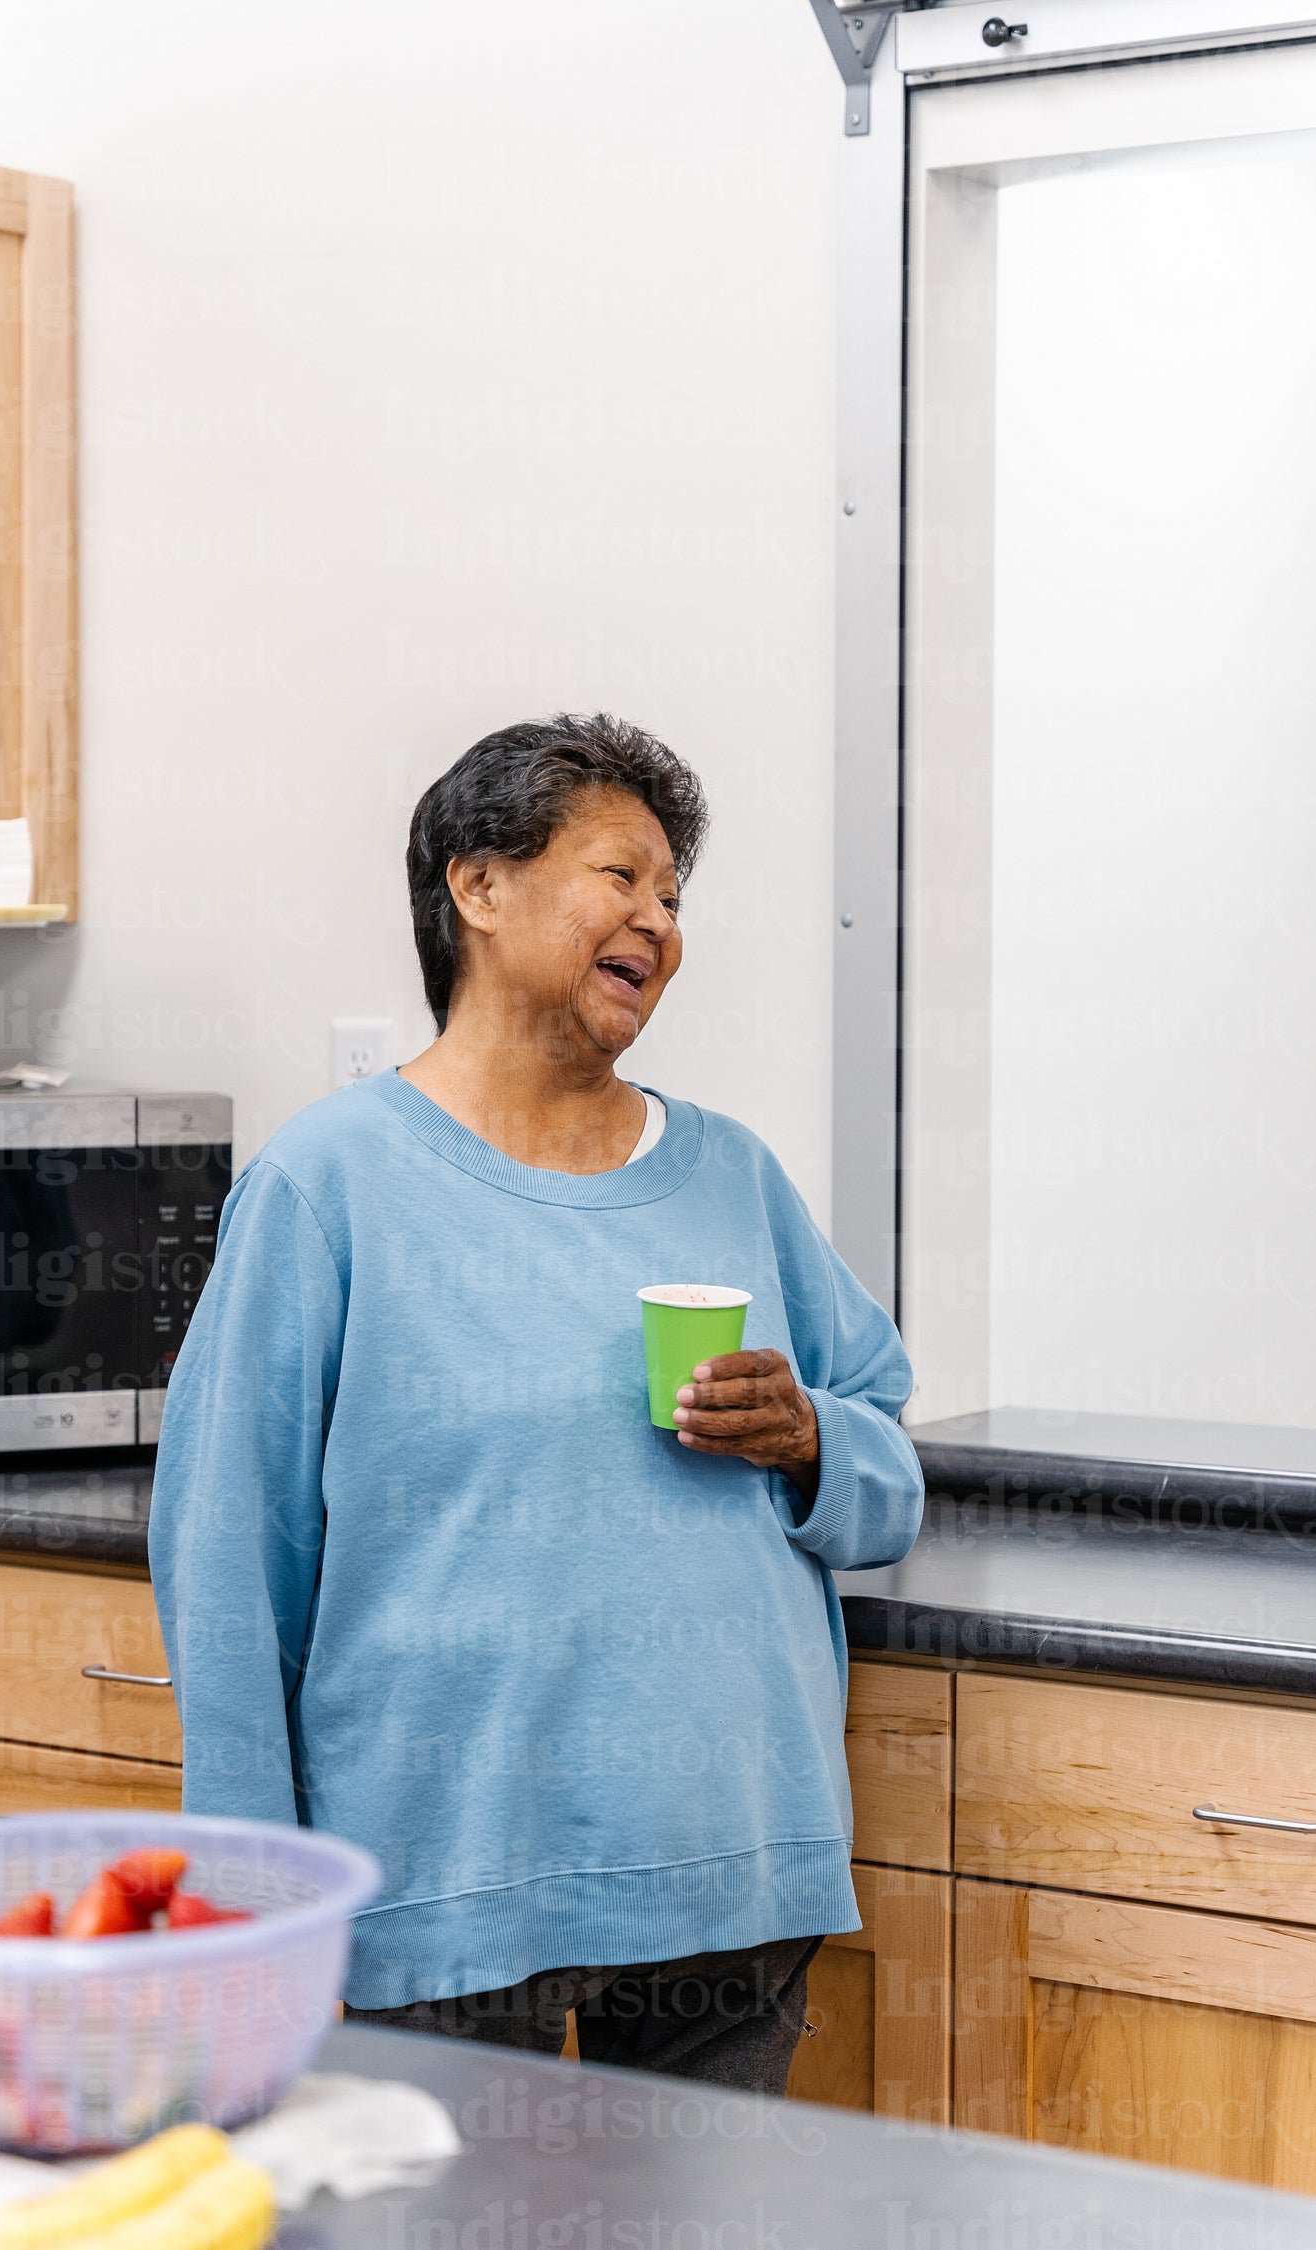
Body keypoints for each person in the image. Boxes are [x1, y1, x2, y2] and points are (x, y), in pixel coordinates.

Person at [148, 712, 925, 2093]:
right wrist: (251, 1891)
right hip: (438, 1889)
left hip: (727, 1876)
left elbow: (884, 1457)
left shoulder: (733, 1175)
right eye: (621, 875)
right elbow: (224, 1559)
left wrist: (812, 1439)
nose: (659, 923)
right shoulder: (328, 1185)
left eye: (674, 898)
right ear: (479, 884)